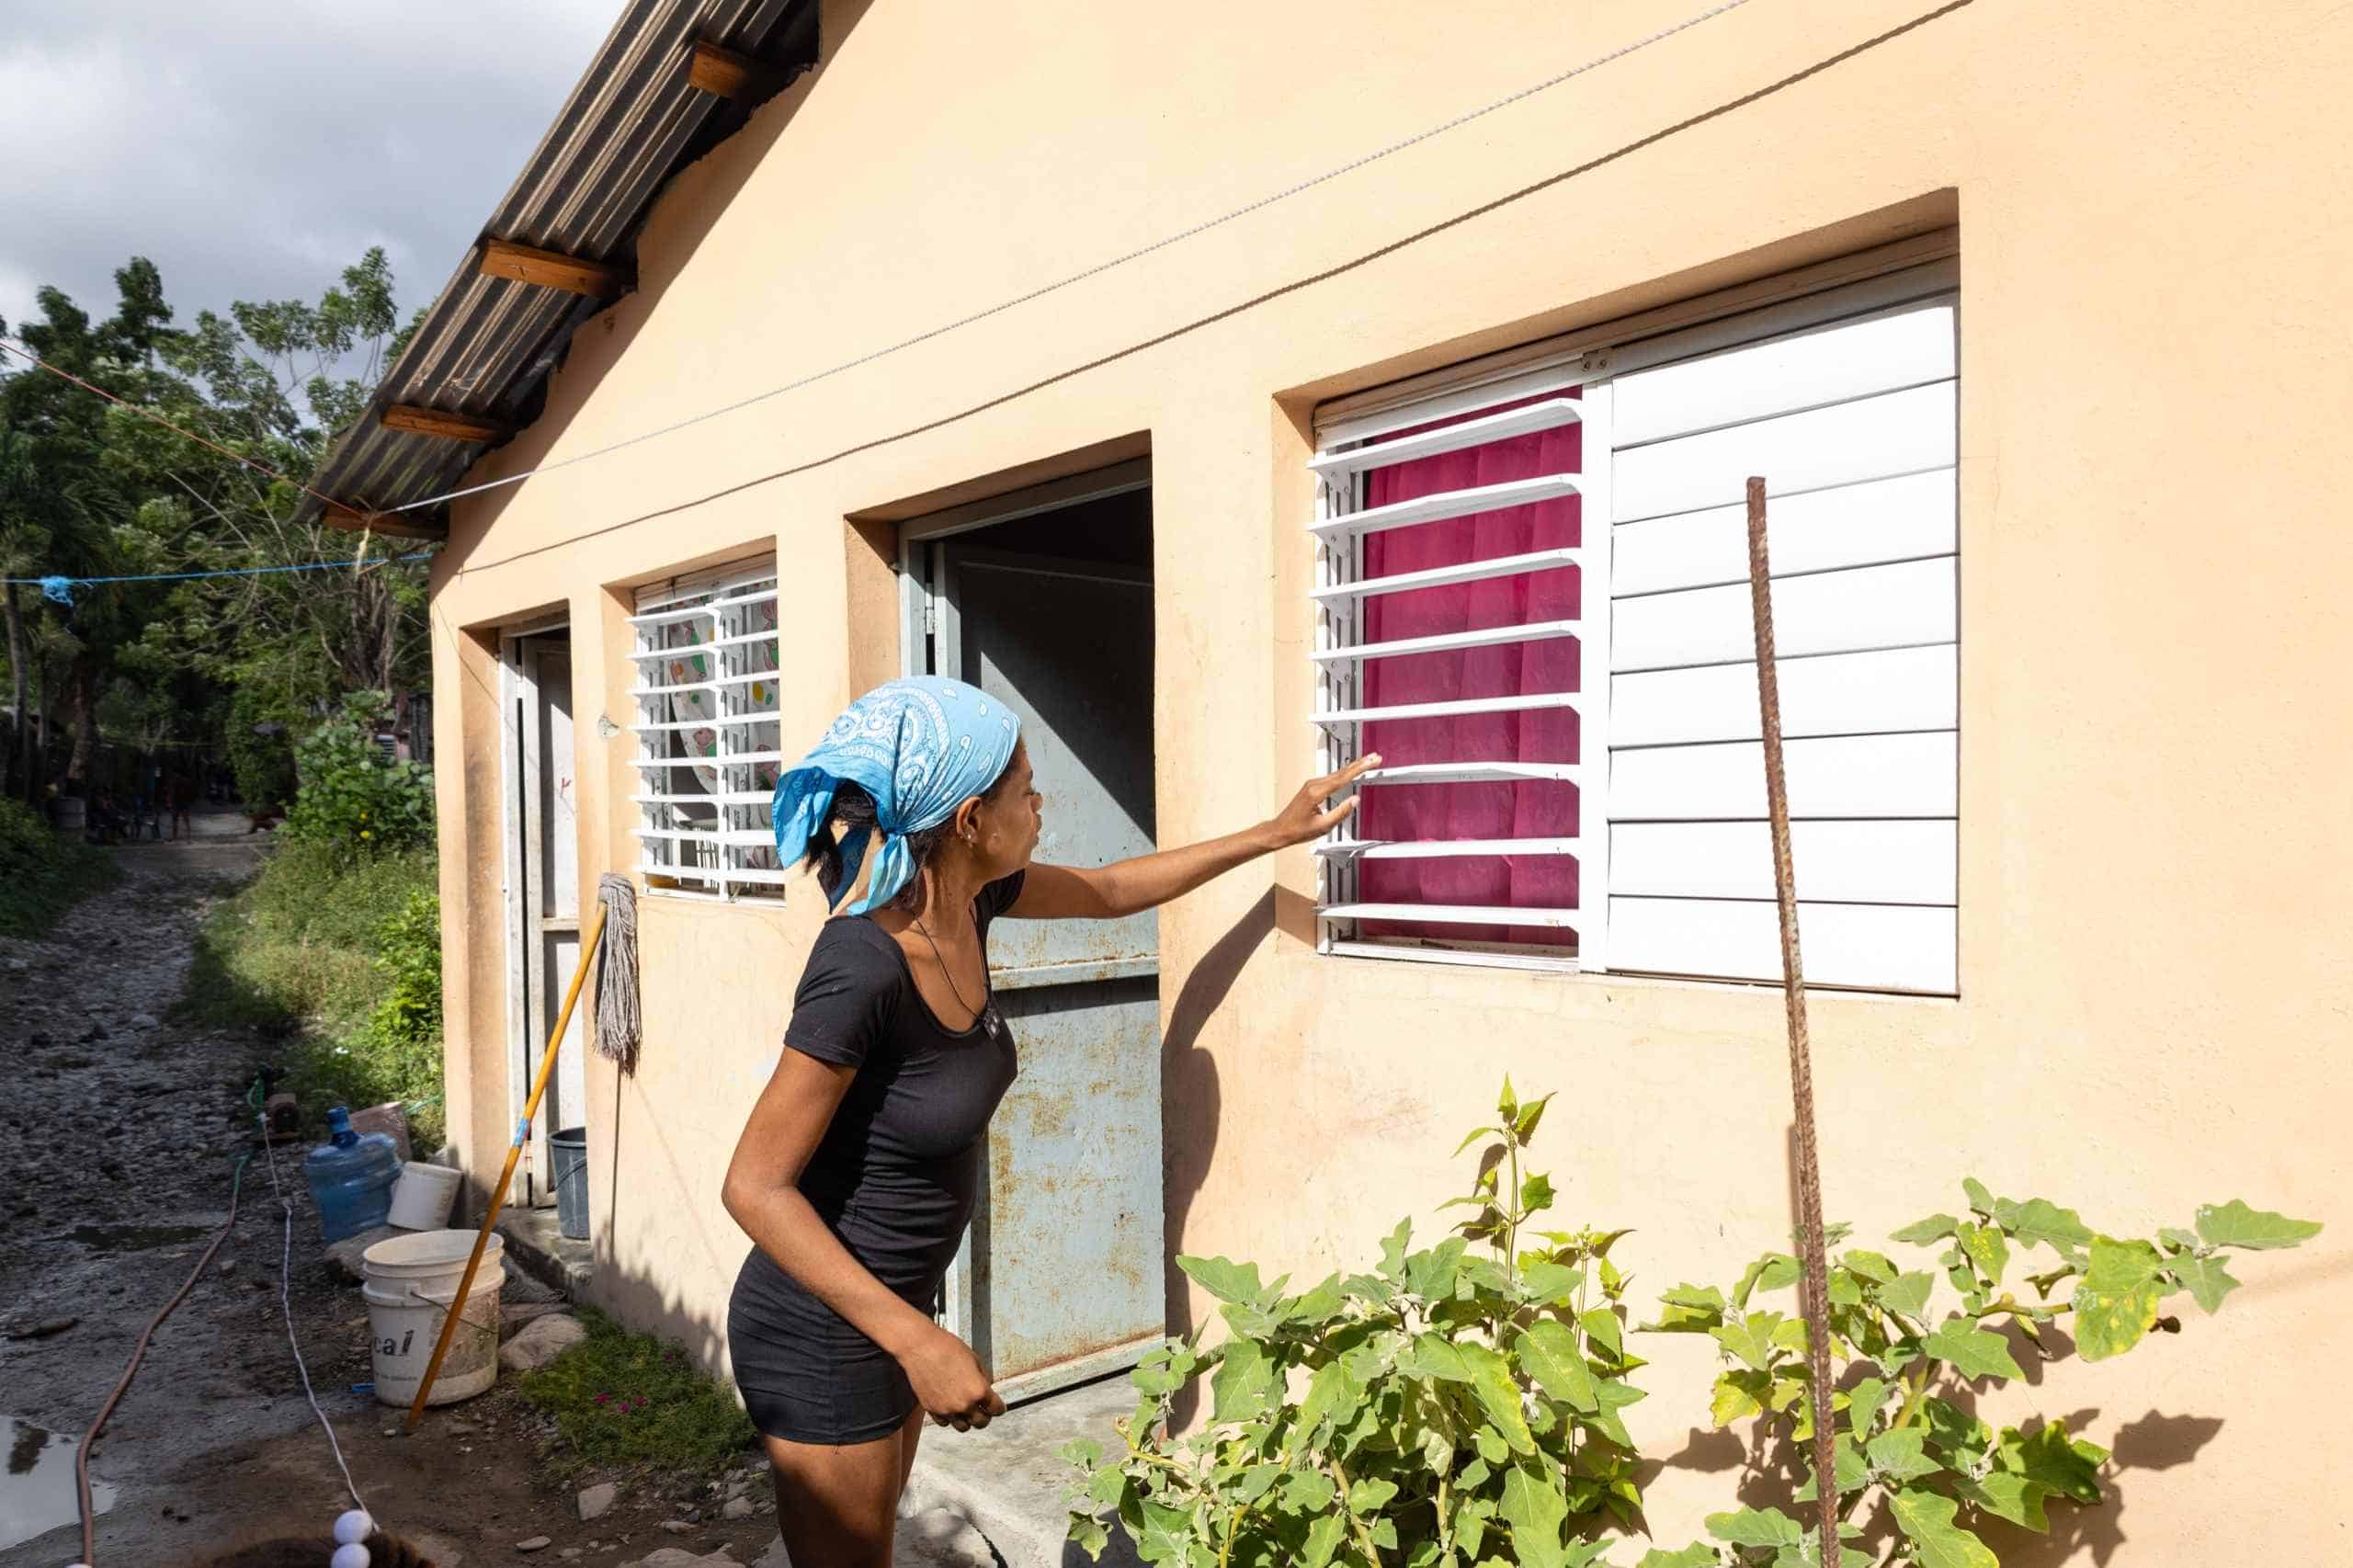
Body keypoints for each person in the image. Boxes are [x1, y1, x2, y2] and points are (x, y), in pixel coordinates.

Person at [722, 676, 1376, 1568]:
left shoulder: (972, 901)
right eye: (1024, 788)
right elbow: (755, 1185)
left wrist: (1273, 832)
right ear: (967, 820)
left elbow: (1110, 889)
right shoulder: (861, 966)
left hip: (889, 1305)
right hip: (821, 1330)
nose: (1040, 801)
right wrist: (917, 1338)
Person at [167, 768, 197, 841]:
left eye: (174, 774)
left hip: (177, 803)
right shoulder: (187, 781)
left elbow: (171, 793)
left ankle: (175, 837)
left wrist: (169, 802)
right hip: (184, 803)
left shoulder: (173, 781)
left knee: (175, 820)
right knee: (186, 821)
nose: (174, 775)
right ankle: (188, 838)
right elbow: (191, 792)